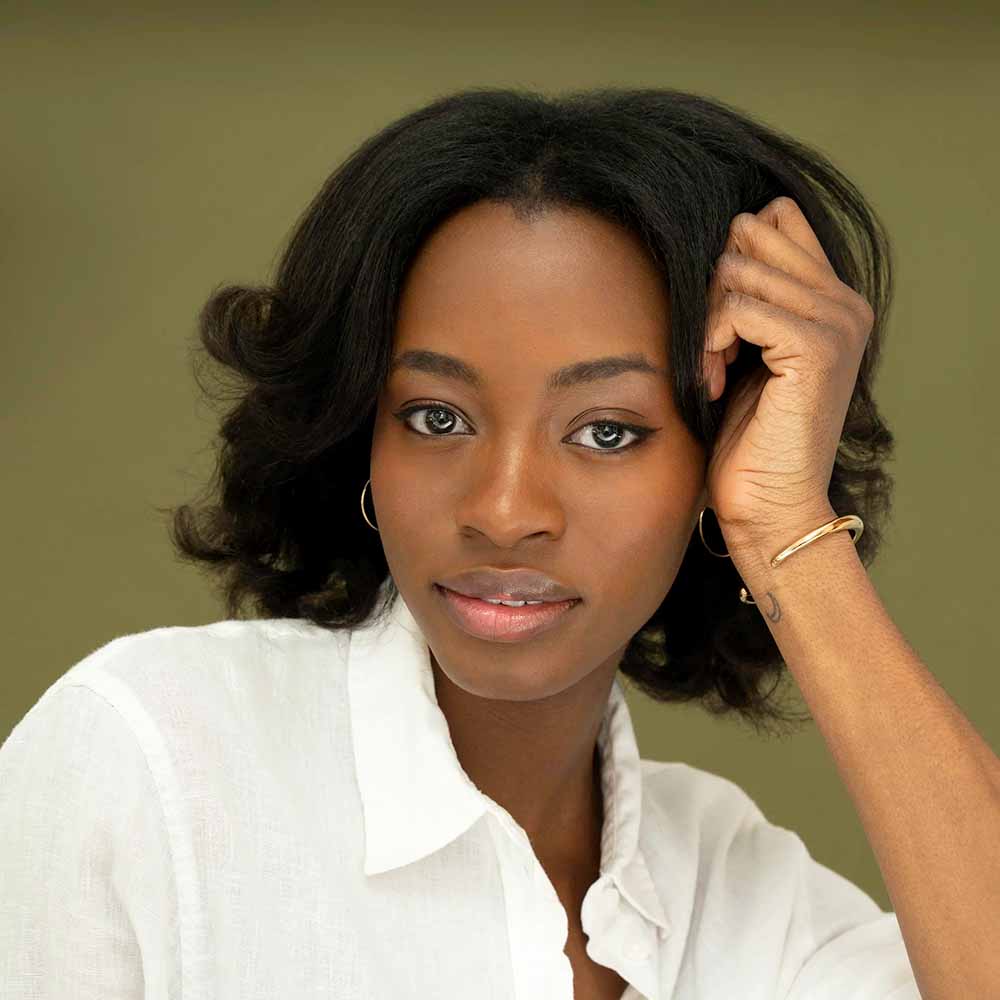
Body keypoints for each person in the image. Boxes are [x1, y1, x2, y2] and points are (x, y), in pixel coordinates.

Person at [8, 84, 981, 998]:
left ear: (710, 465)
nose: (505, 509)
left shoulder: (742, 895)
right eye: (436, 417)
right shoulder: (151, 760)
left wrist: (781, 525)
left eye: (605, 430)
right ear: (361, 439)